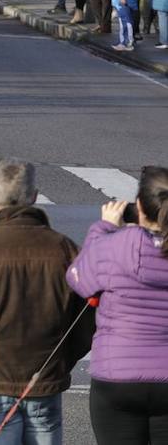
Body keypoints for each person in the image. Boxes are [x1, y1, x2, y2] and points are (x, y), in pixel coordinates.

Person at [0, 159, 93, 445]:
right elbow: (86, 319)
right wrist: (60, 363)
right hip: (45, 378)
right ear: (35, 196)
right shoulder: (64, 248)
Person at [66, 166, 168, 444]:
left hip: (117, 375)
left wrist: (103, 229)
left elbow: (79, 279)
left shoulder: (116, 246)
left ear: (139, 207)